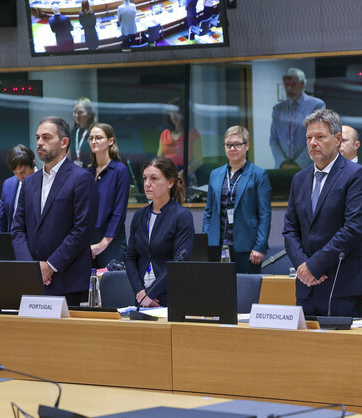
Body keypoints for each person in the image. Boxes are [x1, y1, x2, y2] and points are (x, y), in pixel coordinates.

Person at [283, 109, 362, 317]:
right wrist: (302, 267)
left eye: (320, 137)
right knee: (305, 349)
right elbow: (289, 230)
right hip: (306, 286)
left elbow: (353, 229)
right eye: (309, 138)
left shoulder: (355, 174)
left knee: (343, 349)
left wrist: (314, 266)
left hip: (342, 285)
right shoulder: (299, 179)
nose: (313, 143)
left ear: (338, 138)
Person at [11, 116, 98, 306]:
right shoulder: (29, 182)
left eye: (47, 137)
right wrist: (31, 269)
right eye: (38, 138)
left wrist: (50, 266)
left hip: (68, 281)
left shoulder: (81, 179)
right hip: (33, 282)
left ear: (64, 143)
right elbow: (17, 229)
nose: (40, 143)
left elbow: (82, 231)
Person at [126, 157, 194, 307]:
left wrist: (151, 294)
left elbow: (179, 262)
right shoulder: (139, 216)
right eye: (145, 178)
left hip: (169, 296)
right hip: (141, 298)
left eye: (154, 178)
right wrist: (141, 293)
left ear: (170, 182)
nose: (147, 184)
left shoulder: (182, 216)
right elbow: (130, 257)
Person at [203, 126, 271, 273]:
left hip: (246, 247)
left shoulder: (259, 175)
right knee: (217, 291)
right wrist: (206, 240)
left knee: (245, 293)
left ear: (247, 145)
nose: (232, 148)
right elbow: (209, 212)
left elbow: (264, 215)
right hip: (217, 244)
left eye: (237, 144)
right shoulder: (215, 174)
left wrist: (260, 246)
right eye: (228, 145)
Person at [87, 123, 130, 269]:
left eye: (98, 138)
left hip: (112, 241)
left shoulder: (119, 170)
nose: (94, 141)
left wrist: (104, 243)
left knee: (110, 287)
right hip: (88, 240)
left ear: (110, 141)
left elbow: (119, 212)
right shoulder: (87, 173)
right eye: (91, 138)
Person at [270, 68, 326, 169]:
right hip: (282, 168)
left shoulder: (316, 105)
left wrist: (298, 164)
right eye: (286, 85)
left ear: (302, 84)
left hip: (308, 167)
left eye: (293, 84)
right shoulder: (278, 109)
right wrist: (282, 163)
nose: (289, 88)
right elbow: (273, 139)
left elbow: (318, 138)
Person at [0, 145, 36, 245]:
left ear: (33, 163)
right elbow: (1, 221)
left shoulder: (45, 181)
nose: (19, 176)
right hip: (13, 244)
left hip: (36, 247)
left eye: (23, 172)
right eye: (15, 173)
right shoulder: (8, 185)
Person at [158, 97, 201, 174]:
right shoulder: (164, 134)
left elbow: (198, 161)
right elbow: (159, 157)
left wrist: (184, 172)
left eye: (176, 112)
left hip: (186, 174)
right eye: (171, 112)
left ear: (183, 114)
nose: (173, 115)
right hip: (166, 173)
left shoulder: (194, 134)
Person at [71, 97, 96, 167]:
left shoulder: (95, 132)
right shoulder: (73, 132)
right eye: (74, 112)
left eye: (80, 112)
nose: (76, 115)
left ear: (90, 114)